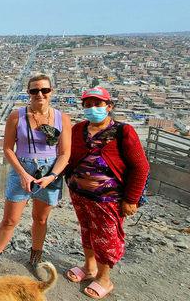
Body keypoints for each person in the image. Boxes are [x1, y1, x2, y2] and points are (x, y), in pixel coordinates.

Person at [0, 73, 71, 279]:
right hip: (23, 169)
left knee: (41, 218)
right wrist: (22, 174)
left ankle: (35, 258)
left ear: (51, 92)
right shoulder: (16, 116)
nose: (40, 94)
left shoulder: (62, 118)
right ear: (28, 93)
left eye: (44, 90)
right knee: (10, 219)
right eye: (35, 90)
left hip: (49, 172)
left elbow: (65, 153)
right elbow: (8, 148)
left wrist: (52, 176)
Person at [64, 87, 150, 299]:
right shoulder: (78, 129)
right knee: (87, 231)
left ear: (109, 106)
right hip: (80, 193)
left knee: (106, 236)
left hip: (109, 198)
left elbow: (141, 167)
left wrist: (131, 199)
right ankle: (89, 267)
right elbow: (68, 155)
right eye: (88, 105)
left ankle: (104, 277)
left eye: (98, 104)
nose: (93, 109)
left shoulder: (123, 131)